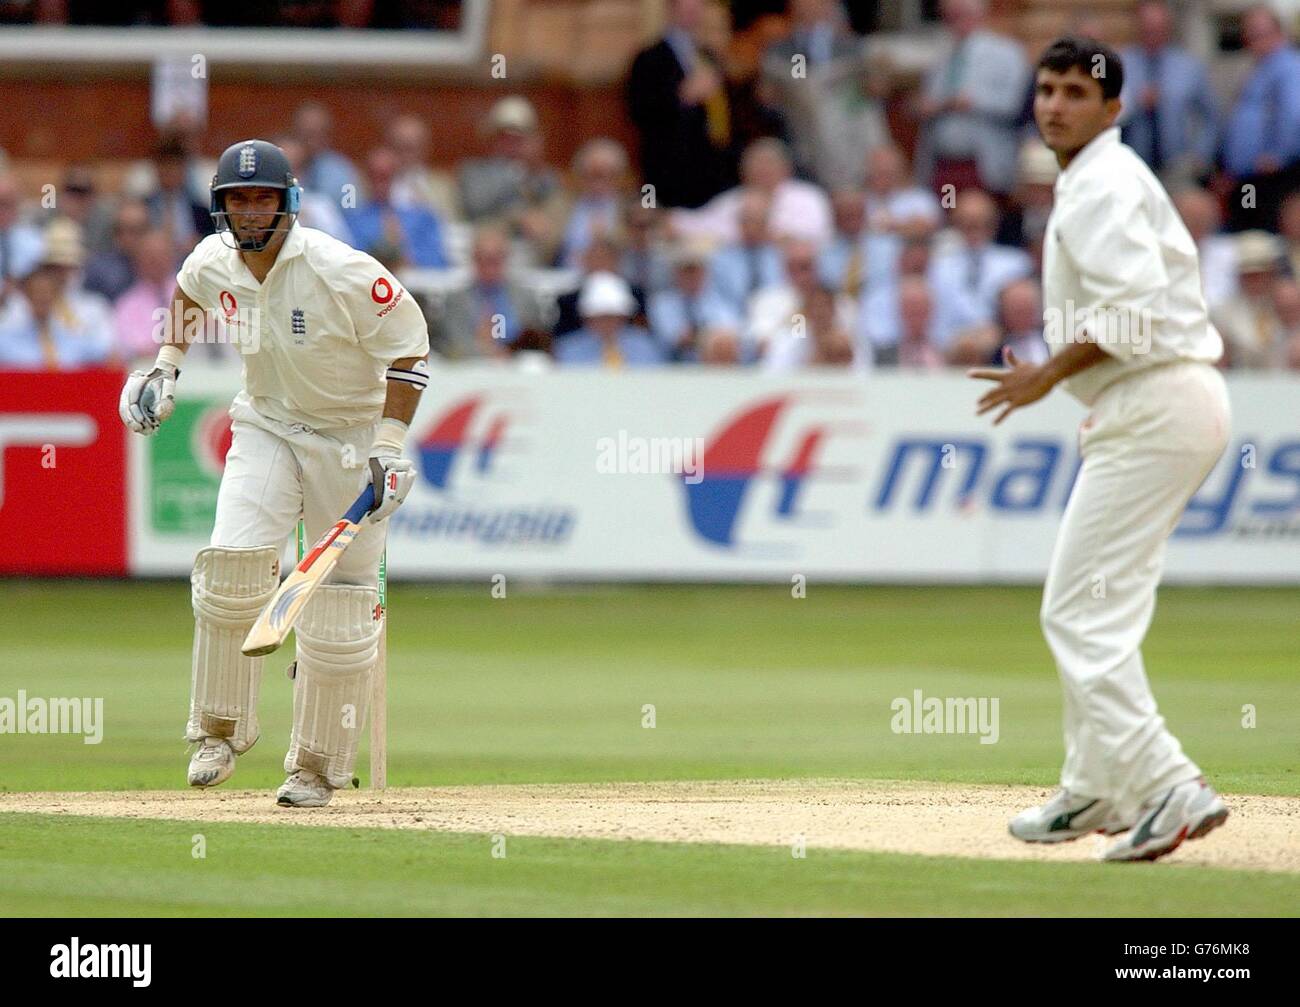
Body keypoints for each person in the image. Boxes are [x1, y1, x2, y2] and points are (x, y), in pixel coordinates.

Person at [970, 37, 1230, 862]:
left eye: (1076, 92)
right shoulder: (1089, 181)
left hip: (1155, 399)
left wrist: (1047, 375)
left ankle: (1165, 783)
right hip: (1155, 402)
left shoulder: (1103, 185)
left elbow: (1131, 316)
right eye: (1046, 88)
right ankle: (1097, 786)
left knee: (1076, 610)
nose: (1054, 104)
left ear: (1113, 108)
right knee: (1098, 605)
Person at [117, 139, 430, 809]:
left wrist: (390, 445)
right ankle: (218, 732)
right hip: (264, 424)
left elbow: (410, 346)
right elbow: (187, 291)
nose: (251, 211)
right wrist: (165, 364)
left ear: (288, 203)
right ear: (221, 207)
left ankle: (315, 768)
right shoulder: (213, 260)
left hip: (348, 441)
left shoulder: (339, 269)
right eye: (238, 199)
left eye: (263, 198)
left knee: (342, 610)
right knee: (230, 567)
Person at [626, 0, 736, 209]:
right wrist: (681, 97)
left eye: (696, 9)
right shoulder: (650, 57)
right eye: (686, 9)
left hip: (712, 169)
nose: (692, 15)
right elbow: (639, 111)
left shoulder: (708, 56)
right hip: (670, 169)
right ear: (671, 10)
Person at [1117, 1, 1218, 187]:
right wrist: (1135, 104)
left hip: (1178, 167)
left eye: (1157, 30)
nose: (1152, 36)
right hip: (1132, 168)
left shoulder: (1188, 67)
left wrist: (1202, 155)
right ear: (1138, 28)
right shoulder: (1121, 65)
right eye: (1147, 30)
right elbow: (1106, 116)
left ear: (1168, 29)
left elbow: (1210, 116)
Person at [554, 271, 662, 367]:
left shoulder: (645, 346)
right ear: (587, 319)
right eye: (600, 318)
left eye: (611, 317)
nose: (606, 323)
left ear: (623, 317)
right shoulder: (569, 349)